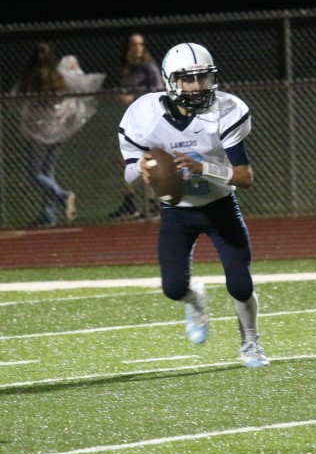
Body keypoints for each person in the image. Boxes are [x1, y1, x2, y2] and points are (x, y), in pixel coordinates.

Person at [116, 42, 269, 367]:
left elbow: (245, 177)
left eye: (203, 77)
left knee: (241, 285)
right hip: (178, 211)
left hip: (220, 206)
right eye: (188, 79)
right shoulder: (145, 115)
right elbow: (129, 172)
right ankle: (195, 298)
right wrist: (143, 167)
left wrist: (203, 168)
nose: (197, 86)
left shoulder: (226, 111)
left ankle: (251, 341)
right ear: (171, 81)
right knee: (173, 288)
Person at [15, 42, 103, 227]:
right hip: (60, 129)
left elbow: (21, 97)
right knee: (48, 172)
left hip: (40, 130)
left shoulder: (32, 77)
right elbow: (80, 87)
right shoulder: (59, 77)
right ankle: (49, 215)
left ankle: (62, 195)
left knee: (35, 172)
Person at [108, 33, 165, 221]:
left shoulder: (149, 67)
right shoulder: (128, 69)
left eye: (140, 44)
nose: (137, 48)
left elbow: (157, 92)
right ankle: (132, 202)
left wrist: (133, 99)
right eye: (133, 45)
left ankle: (152, 205)